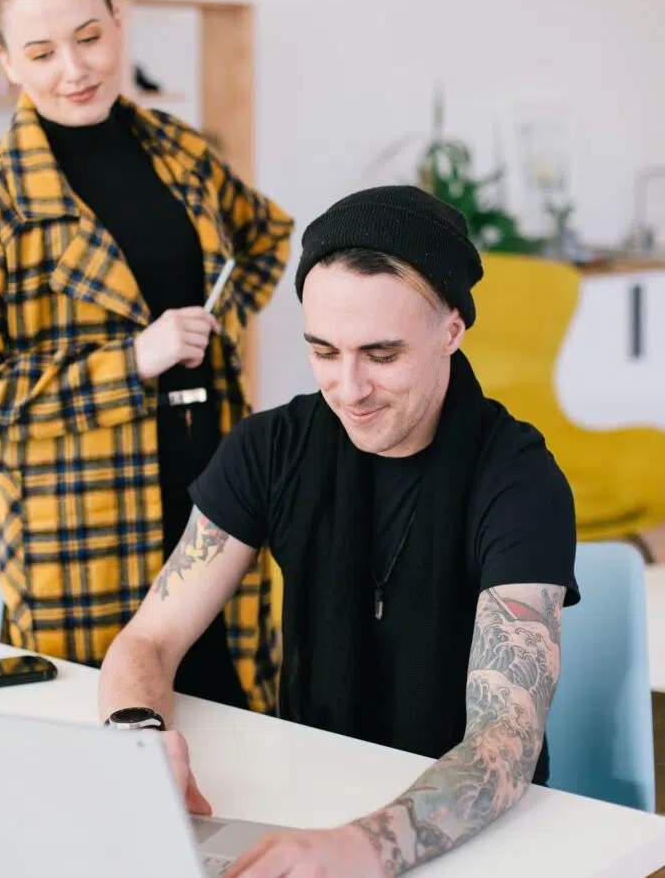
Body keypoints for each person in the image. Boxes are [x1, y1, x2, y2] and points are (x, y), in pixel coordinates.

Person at [98, 185, 579, 876]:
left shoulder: (519, 479)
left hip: (478, 839)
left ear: (452, 329)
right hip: (308, 798)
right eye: (324, 351)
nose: (348, 388)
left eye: (381, 355)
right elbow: (149, 637)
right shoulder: (272, 448)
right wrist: (139, 736)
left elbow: (504, 742)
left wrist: (366, 845)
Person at [0, 0, 293, 715]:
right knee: (107, 745)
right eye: (43, 52)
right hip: (75, 527)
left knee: (241, 722)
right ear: (5, 60)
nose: (75, 68)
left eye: (89, 37)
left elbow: (266, 235)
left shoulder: (179, 150)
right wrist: (132, 362)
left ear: (119, 22)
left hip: (214, 490)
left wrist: (212, 332)